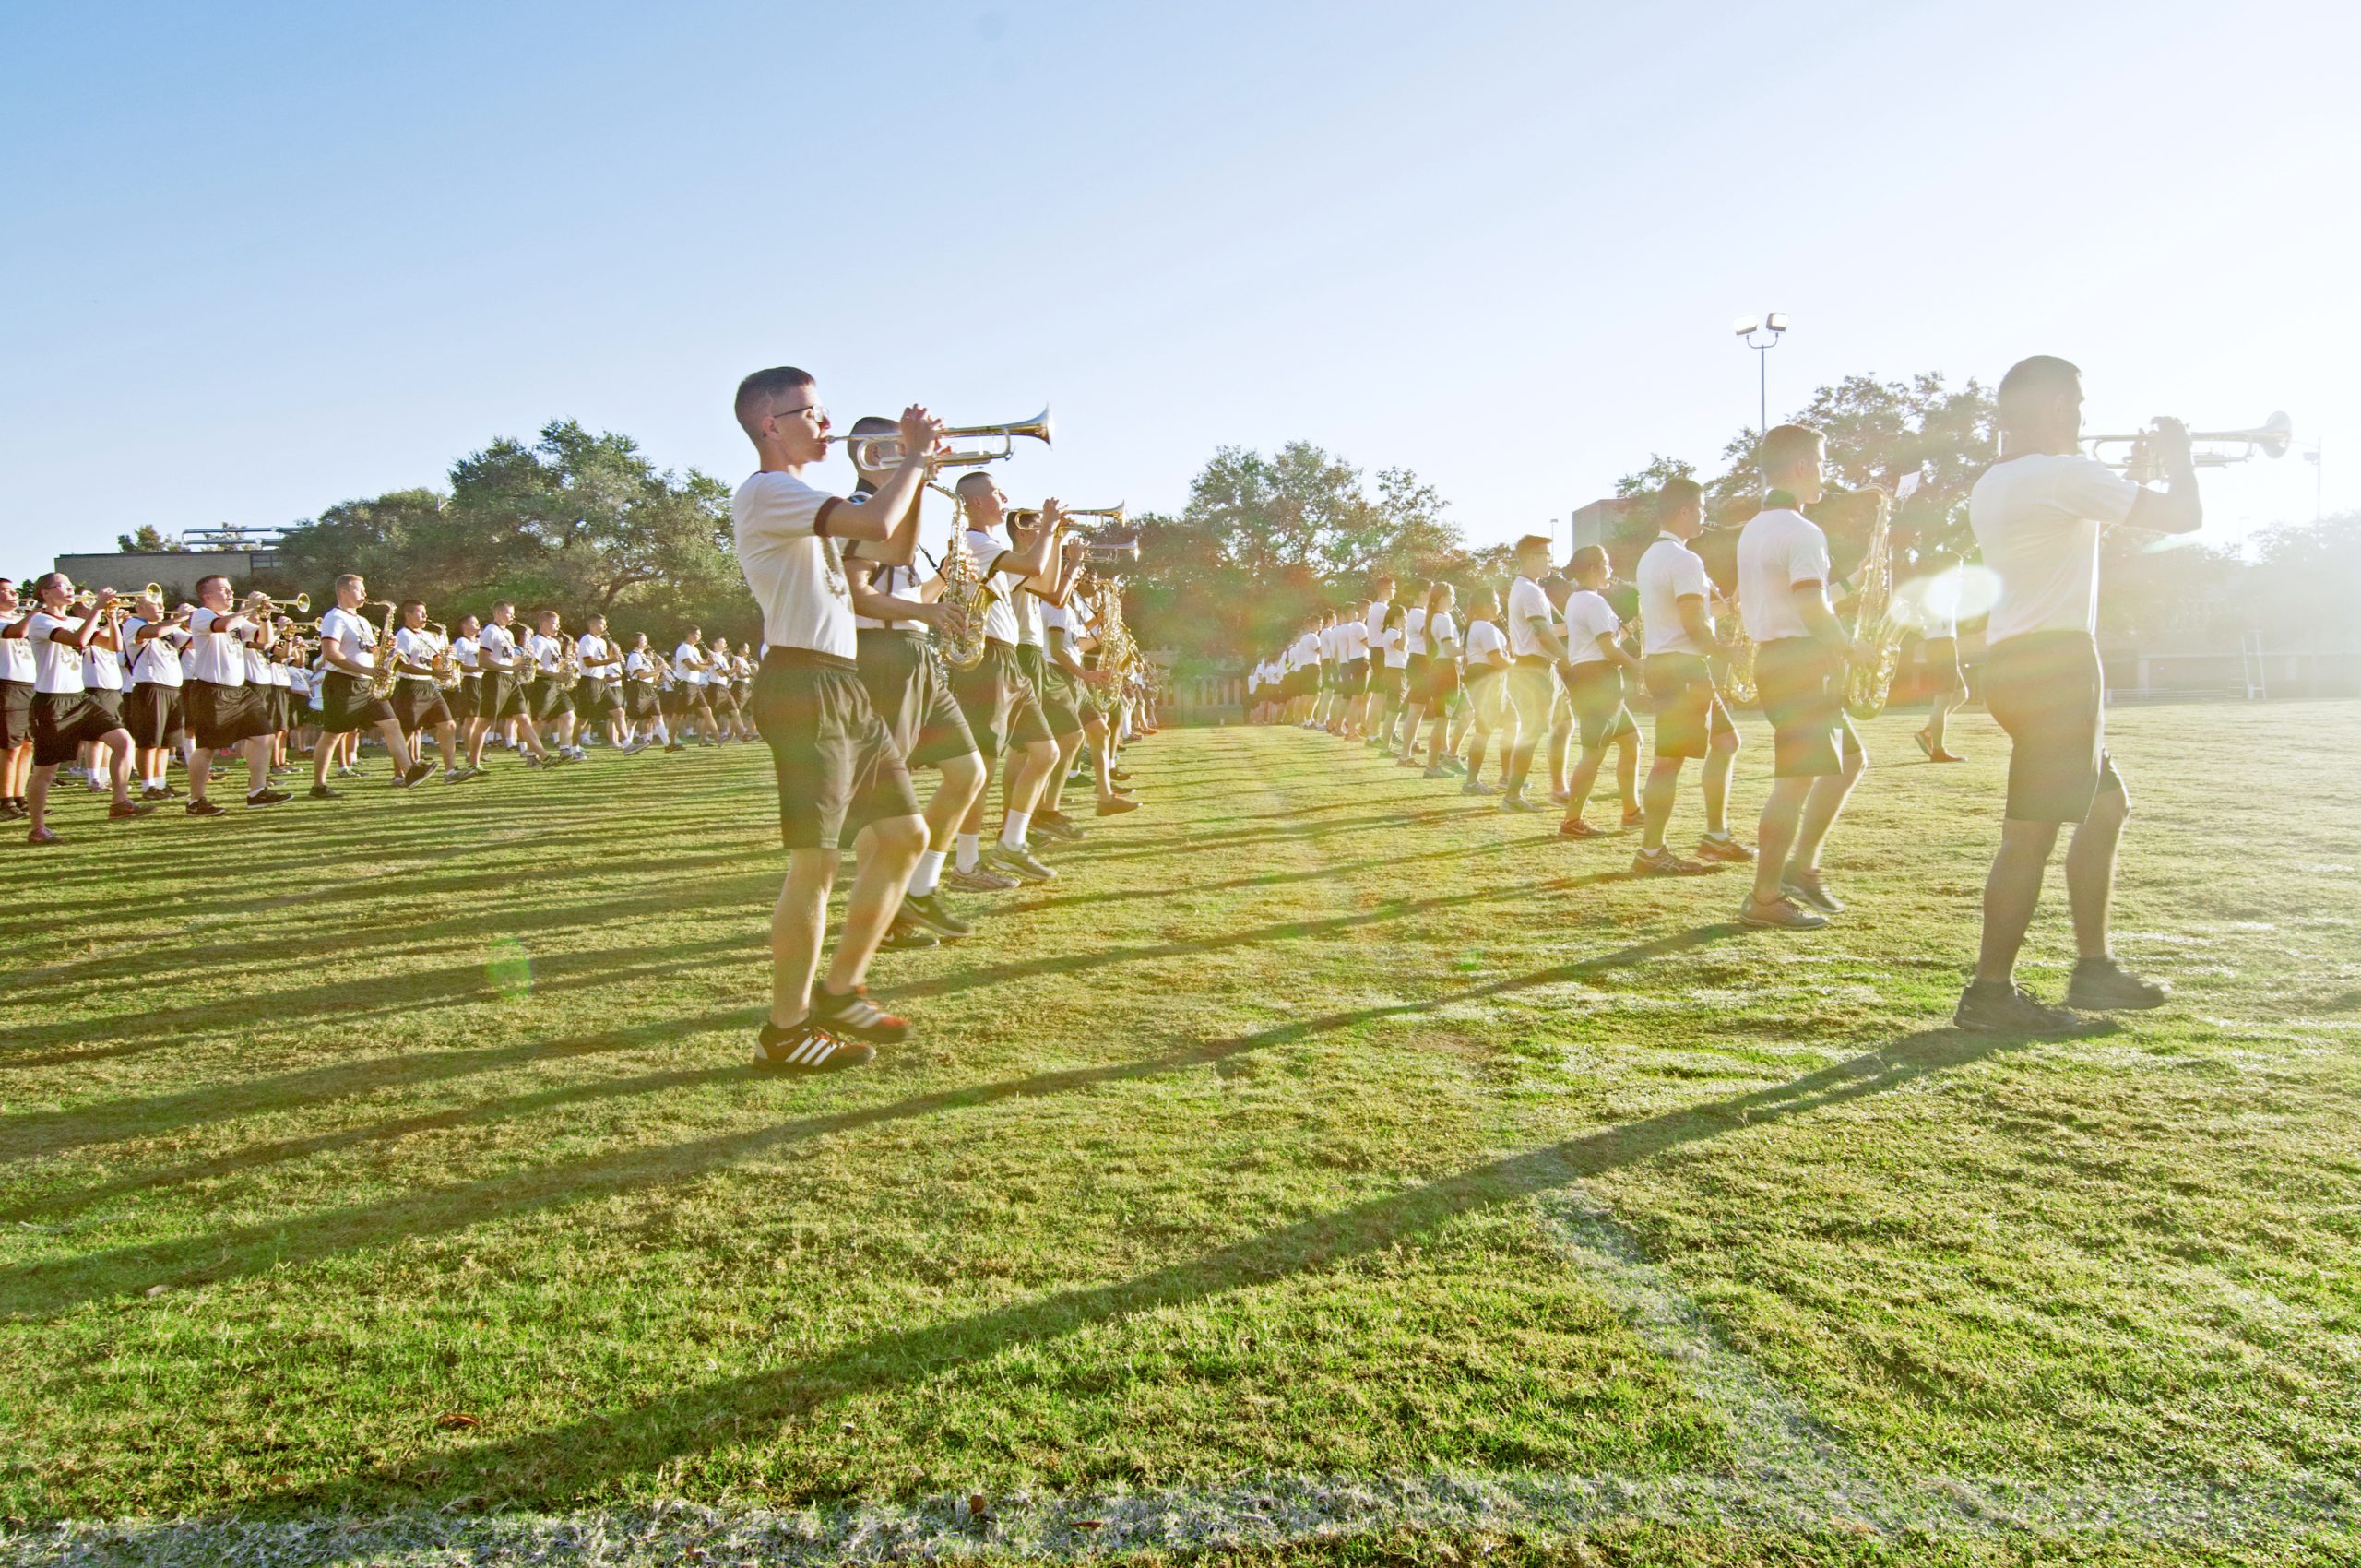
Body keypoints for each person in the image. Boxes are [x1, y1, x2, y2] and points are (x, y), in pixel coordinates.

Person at [1953, 356, 2196, 1031]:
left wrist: (2134, 476)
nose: (2087, 415)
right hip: (2057, 665)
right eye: (2080, 404)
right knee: (2027, 837)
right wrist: (2181, 457)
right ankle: (1990, 994)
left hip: (2017, 660)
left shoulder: (1999, 480)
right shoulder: (2065, 473)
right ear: (2060, 406)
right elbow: (2186, 516)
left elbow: (2081, 519)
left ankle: (2095, 970)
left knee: (2107, 807)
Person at [730, 365, 936, 1069]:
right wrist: (909, 458)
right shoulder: (769, 491)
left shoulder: (800, 497)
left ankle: (842, 988)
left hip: (841, 682)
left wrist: (922, 474)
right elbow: (875, 520)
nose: (825, 424)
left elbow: (894, 548)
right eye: (810, 413)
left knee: (907, 834)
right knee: (815, 864)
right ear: (769, 423)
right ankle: (785, 1034)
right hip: (802, 683)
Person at [838, 413, 991, 940]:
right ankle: (884, 911)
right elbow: (855, 592)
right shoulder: (859, 511)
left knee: (968, 773)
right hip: (879, 655)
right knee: (885, 795)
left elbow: (912, 596)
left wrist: (948, 583)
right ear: (871, 455)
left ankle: (920, 889)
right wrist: (926, 614)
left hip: (915, 654)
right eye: (901, 449)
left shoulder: (902, 516)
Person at [1735, 426, 1866, 930]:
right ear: (1804, 466)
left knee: (1851, 759)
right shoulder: (1802, 531)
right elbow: (1811, 604)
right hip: (1799, 664)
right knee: (1793, 785)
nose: (1825, 477)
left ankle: (1802, 865)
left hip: (1779, 660)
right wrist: (1852, 648)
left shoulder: (1756, 527)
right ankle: (1765, 897)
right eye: (1824, 464)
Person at [949, 472, 1068, 885]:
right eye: (998, 493)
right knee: (981, 768)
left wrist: (1056, 535)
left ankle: (1011, 844)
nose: (1005, 498)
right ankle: (965, 864)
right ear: (977, 502)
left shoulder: (992, 546)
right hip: (987, 662)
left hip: (1007, 658)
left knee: (1046, 752)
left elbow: (1047, 584)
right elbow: (1034, 564)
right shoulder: (974, 543)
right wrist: (1049, 527)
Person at [1633, 479, 1750, 875]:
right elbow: (1691, 621)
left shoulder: (1654, 556)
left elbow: (1688, 613)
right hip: (1682, 667)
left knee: (1726, 741)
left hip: (1671, 663)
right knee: (1668, 762)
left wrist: (1726, 610)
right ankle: (1651, 854)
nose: (1704, 515)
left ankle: (1715, 837)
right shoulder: (1685, 560)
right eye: (1700, 508)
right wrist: (1725, 653)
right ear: (1684, 510)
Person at [18, 576, 148, 841]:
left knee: (123, 741)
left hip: (79, 698)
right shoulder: (41, 620)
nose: (70, 590)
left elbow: (114, 646)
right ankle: (37, 829)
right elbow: (78, 641)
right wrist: (98, 608)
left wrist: (111, 618)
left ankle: (119, 802)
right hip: (52, 702)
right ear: (44, 593)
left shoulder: (77, 620)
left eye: (69, 586)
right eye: (62, 586)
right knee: (46, 770)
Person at [311, 576, 434, 799]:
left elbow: (371, 653)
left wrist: (385, 649)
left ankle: (410, 772)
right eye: (360, 590)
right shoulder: (335, 617)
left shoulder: (362, 621)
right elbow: (331, 653)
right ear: (344, 592)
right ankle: (318, 785)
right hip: (342, 683)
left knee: (393, 724)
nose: (365, 595)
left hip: (366, 684)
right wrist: (367, 670)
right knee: (332, 735)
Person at [1555, 547, 1644, 837]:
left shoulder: (1580, 600)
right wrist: (1638, 667)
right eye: (1606, 564)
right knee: (1593, 755)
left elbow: (1606, 642)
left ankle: (1631, 812)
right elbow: (1608, 650)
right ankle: (1571, 822)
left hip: (1599, 680)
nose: (1611, 569)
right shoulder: (1592, 602)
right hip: (1598, 681)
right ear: (1593, 568)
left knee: (1632, 742)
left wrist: (1633, 626)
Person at [181, 575, 283, 814]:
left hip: (238, 690)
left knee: (264, 735)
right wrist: (247, 608)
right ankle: (195, 801)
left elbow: (265, 641)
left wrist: (265, 616)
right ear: (207, 596)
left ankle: (257, 792)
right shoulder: (202, 614)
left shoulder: (238, 620)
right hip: (211, 689)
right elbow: (224, 626)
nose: (229, 593)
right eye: (223, 590)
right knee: (207, 747)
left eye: (230, 589)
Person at [1500, 534, 1569, 813]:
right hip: (1534, 669)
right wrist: (1568, 659)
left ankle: (1558, 788)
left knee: (1565, 723)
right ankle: (1512, 796)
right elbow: (1541, 634)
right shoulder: (1529, 591)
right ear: (1531, 558)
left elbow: (1546, 631)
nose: (1550, 561)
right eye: (1546, 556)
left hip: (1540, 667)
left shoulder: (1527, 588)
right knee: (1532, 731)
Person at [120, 588, 191, 802]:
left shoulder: (169, 628)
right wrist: (179, 618)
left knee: (165, 742)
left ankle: (160, 783)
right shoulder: (134, 624)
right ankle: (147, 785)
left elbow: (194, 642)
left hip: (171, 687)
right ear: (140, 608)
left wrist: (196, 621)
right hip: (150, 685)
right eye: (156, 604)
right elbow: (152, 633)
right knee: (149, 740)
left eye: (162, 604)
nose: (161, 608)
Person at [391, 600, 468, 781]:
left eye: (425, 613)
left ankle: (450, 772)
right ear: (408, 616)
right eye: (420, 613)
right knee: (408, 732)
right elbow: (402, 666)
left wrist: (447, 657)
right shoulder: (404, 635)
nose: (425, 617)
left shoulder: (428, 635)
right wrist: (433, 672)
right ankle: (399, 775)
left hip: (429, 686)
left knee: (449, 725)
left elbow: (434, 661)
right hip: (410, 687)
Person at [468, 601, 549, 771]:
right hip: (495, 679)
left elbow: (507, 659)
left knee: (524, 719)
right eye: (509, 613)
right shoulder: (490, 631)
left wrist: (525, 660)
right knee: (485, 722)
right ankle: (474, 762)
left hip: (510, 679)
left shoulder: (509, 634)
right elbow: (482, 661)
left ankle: (544, 756)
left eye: (513, 613)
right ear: (497, 613)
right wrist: (509, 667)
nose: (513, 616)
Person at [1914, 550, 1969, 763]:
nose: (1960, 573)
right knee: (1943, 698)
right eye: (1959, 568)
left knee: (1962, 693)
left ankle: (1928, 732)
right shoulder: (1945, 587)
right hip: (1942, 644)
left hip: (1939, 643)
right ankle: (1938, 750)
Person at [1457, 588, 1511, 795]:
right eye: (1496, 602)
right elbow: (1497, 660)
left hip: (1492, 681)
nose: (1499, 607)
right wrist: (1518, 663)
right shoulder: (1484, 628)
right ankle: (1471, 783)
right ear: (1487, 606)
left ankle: (1507, 777)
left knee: (1513, 724)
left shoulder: (1479, 627)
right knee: (1484, 732)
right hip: (1488, 680)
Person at [0, 577, 36, 820]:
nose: (13, 595)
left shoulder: (18, 618)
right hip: (7, 686)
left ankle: (20, 797)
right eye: (6, 592)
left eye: (14, 591)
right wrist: (35, 613)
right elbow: (18, 632)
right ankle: (5, 801)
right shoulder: (7, 622)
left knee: (27, 746)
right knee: (9, 747)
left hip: (29, 686)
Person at [1417, 582, 1461, 775]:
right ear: (1442, 598)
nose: (1454, 600)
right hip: (1445, 669)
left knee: (1444, 719)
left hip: (1441, 669)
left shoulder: (1437, 617)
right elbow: (1450, 650)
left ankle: (1439, 761)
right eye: (1452, 596)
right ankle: (1432, 766)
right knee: (1442, 721)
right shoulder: (1442, 619)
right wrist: (1473, 648)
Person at [574, 614, 629, 750]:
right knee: (583, 717)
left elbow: (601, 663)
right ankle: (573, 747)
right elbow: (589, 662)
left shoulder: (602, 642)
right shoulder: (587, 639)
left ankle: (627, 744)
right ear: (592, 625)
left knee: (619, 711)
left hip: (601, 681)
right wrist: (612, 660)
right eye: (601, 624)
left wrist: (613, 657)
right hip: (589, 681)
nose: (605, 627)